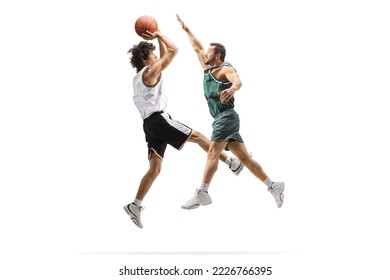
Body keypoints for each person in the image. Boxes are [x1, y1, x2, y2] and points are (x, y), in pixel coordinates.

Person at [124, 29, 244, 228]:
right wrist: (159, 34)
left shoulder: (138, 77)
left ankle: (135, 205)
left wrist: (156, 41)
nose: (156, 57)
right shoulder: (150, 72)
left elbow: (163, 56)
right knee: (197, 137)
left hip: (148, 125)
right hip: (158, 120)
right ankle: (230, 162)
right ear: (146, 61)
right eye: (152, 55)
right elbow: (173, 51)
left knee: (154, 169)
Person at [176, 14, 285, 210]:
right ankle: (273, 186)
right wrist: (186, 29)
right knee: (244, 159)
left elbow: (237, 80)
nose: (205, 55)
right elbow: (197, 47)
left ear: (218, 56)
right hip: (225, 119)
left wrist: (232, 89)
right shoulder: (208, 69)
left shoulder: (224, 69)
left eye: (209, 53)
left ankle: (203, 192)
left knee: (212, 152)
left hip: (226, 118)